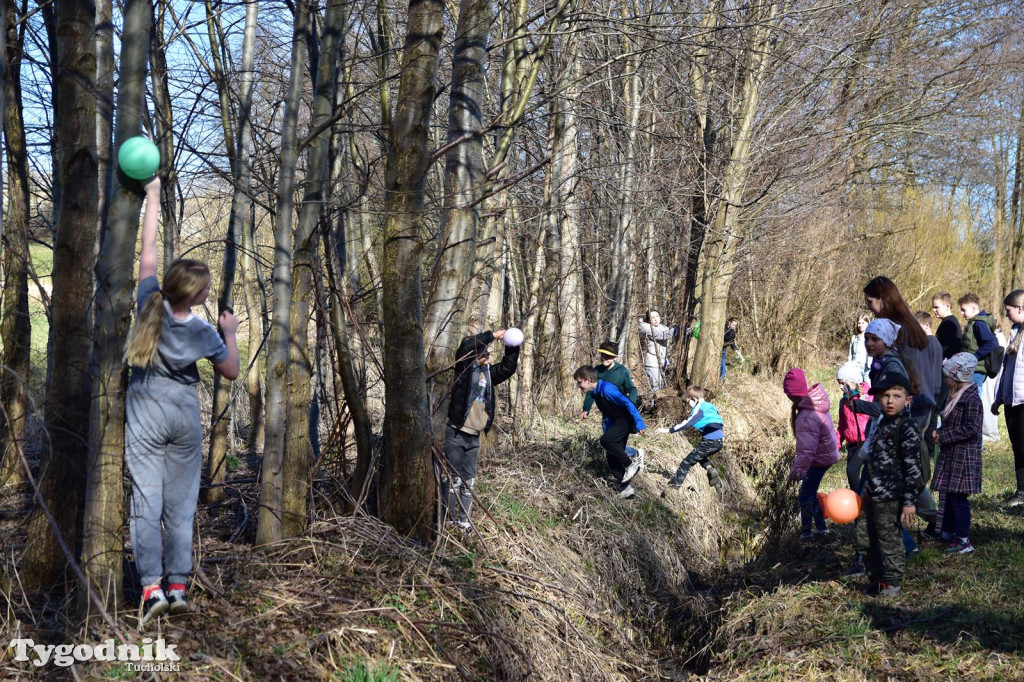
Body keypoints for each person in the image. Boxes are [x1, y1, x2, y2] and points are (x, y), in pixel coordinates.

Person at [124, 177, 240, 626]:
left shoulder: (148, 303)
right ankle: (178, 584)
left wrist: (152, 197)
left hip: (145, 415)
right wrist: (229, 334)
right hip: (185, 419)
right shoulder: (204, 332)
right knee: (179, 505)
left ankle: (151, 587)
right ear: (198, 295)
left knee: (145, 502)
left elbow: (147, 251)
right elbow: (229, 370)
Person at [854, 373, 924, 597]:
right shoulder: (882, 421)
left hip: (891, 496)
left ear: (907, 400)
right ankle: (875, 577)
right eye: (885, 396)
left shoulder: (906, 426)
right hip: (871, 492)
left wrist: (909, 503)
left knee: (890, 539)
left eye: (897, 396)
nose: (890, 401)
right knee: (865, 536)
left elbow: (913, 467)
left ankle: (892, 581)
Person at [445, 329, 520, 530]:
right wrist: (492, 335)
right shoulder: (463, 369)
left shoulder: (488, 373)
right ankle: (449, 518)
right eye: (483, 351)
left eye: (487, 352)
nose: (487, 355)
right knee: (453, 479)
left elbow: (507, 368)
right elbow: (466, 348)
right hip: (456, 433)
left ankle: (464, 520)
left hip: (474, 438)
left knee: (468, 480)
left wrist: (512, 345)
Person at [931, 353, 984, 554]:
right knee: (949, 494)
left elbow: (972, 429)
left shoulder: (971, 398)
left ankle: (963, 538)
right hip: (953, 454)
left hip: (964, 457)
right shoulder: (956, 395)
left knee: (958, 498)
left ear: (958, 376)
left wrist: (945, 436)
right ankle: (948, 531)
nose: (945, 379)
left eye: (947, 376)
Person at [783, 368, 841, 540]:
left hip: (819, 458)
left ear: (792, 394)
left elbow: (806, 450)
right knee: (810, 490)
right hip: (825, 455)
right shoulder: (813, 404)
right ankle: (821, 529)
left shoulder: (807, 415)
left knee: (805, 493)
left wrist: (798, 470)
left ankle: (807, 532)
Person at [574, 365, 646, 499]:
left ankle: (631, 464)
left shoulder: (607, 388)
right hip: (617, 422)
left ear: (588, 380)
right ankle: (626, 490)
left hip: (625, 420)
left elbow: (627, 403)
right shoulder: (596, 392)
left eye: (579, 382)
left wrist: (639, 421)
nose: (578, 385)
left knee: (606, 441)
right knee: (611, 457)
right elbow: (609, 413)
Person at [581, 341, 644, 469]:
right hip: (606, 414)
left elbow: (632, 390)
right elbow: (590, 392)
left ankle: (633, 458)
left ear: (615, 357)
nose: (604, 358)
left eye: (608, 356)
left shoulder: (621, 371)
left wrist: (630, 405)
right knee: (610, 443)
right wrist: (586, 408)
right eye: (602, 355)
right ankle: (628, 462)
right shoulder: (597, 371)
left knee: (612, 442)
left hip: (620, 414)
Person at [655, 385, 724, 490]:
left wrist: (668, 430)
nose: (689, 406)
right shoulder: (710, 406)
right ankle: (710, 470)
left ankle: (674, 486)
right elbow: (719, 419)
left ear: (694, 399)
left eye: (688, 402)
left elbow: (686, 423)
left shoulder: (698, 409)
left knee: (686, 463)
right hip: (719, 442)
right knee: (699, 455)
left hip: (710, 441)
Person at [992, 289, 1024, 509]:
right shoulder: (1014, 332)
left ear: (1021, 308)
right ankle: (1021, 492)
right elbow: (1006, 369)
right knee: (1018, 448)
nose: (1007, 315)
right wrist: (998, 397)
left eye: (1009, 310)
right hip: (1012, 400)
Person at [837, 362, 872, 490]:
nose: (840, 387)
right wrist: (836, 445)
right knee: (850, 473)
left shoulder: (867, 398)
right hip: (852, 443)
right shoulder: (844, 401)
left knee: (852, 470)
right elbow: (841, 425)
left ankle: (858, 499)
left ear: (853, 382)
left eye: (843, 383)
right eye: (839, 383)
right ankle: (856, 499)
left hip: (865, 441)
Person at [958, 293, 999, 394]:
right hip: (972, 369)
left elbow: (992, 343)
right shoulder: (973, 323)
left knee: (973, 399)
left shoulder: (979, 323)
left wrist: (975, 356)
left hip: (976, 370)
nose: (961, 313)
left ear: (973, 308)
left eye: (964, 310)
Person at [638, 310, 677, 390]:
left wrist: (687, 330)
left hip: (663, 362)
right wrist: (677, 329)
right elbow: (664, 335)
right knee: (657, 388)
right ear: (648, 320)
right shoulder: (648, 329)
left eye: (657, 316)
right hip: (652, 363)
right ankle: (653, 403)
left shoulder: (662, 327)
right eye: (652, 317)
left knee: (663, 387)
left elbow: (672, 333)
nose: (656, 319)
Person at [932, 292, 962, 361]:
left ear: (947, 306)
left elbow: (946, 348)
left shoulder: (949, 323)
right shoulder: (948, 321)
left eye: (936, 307)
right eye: (933, 307)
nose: (934, 310)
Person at [848, 312, 872, 383]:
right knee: (857, 389)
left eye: (863, 323)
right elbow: (850, 354)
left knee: (867, 388)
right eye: (859, 323)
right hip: (855, 367)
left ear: (868, 323)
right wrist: (849, 365)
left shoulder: (871, 337)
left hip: (867, 368)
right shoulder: (854, 338)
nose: (860, 325)